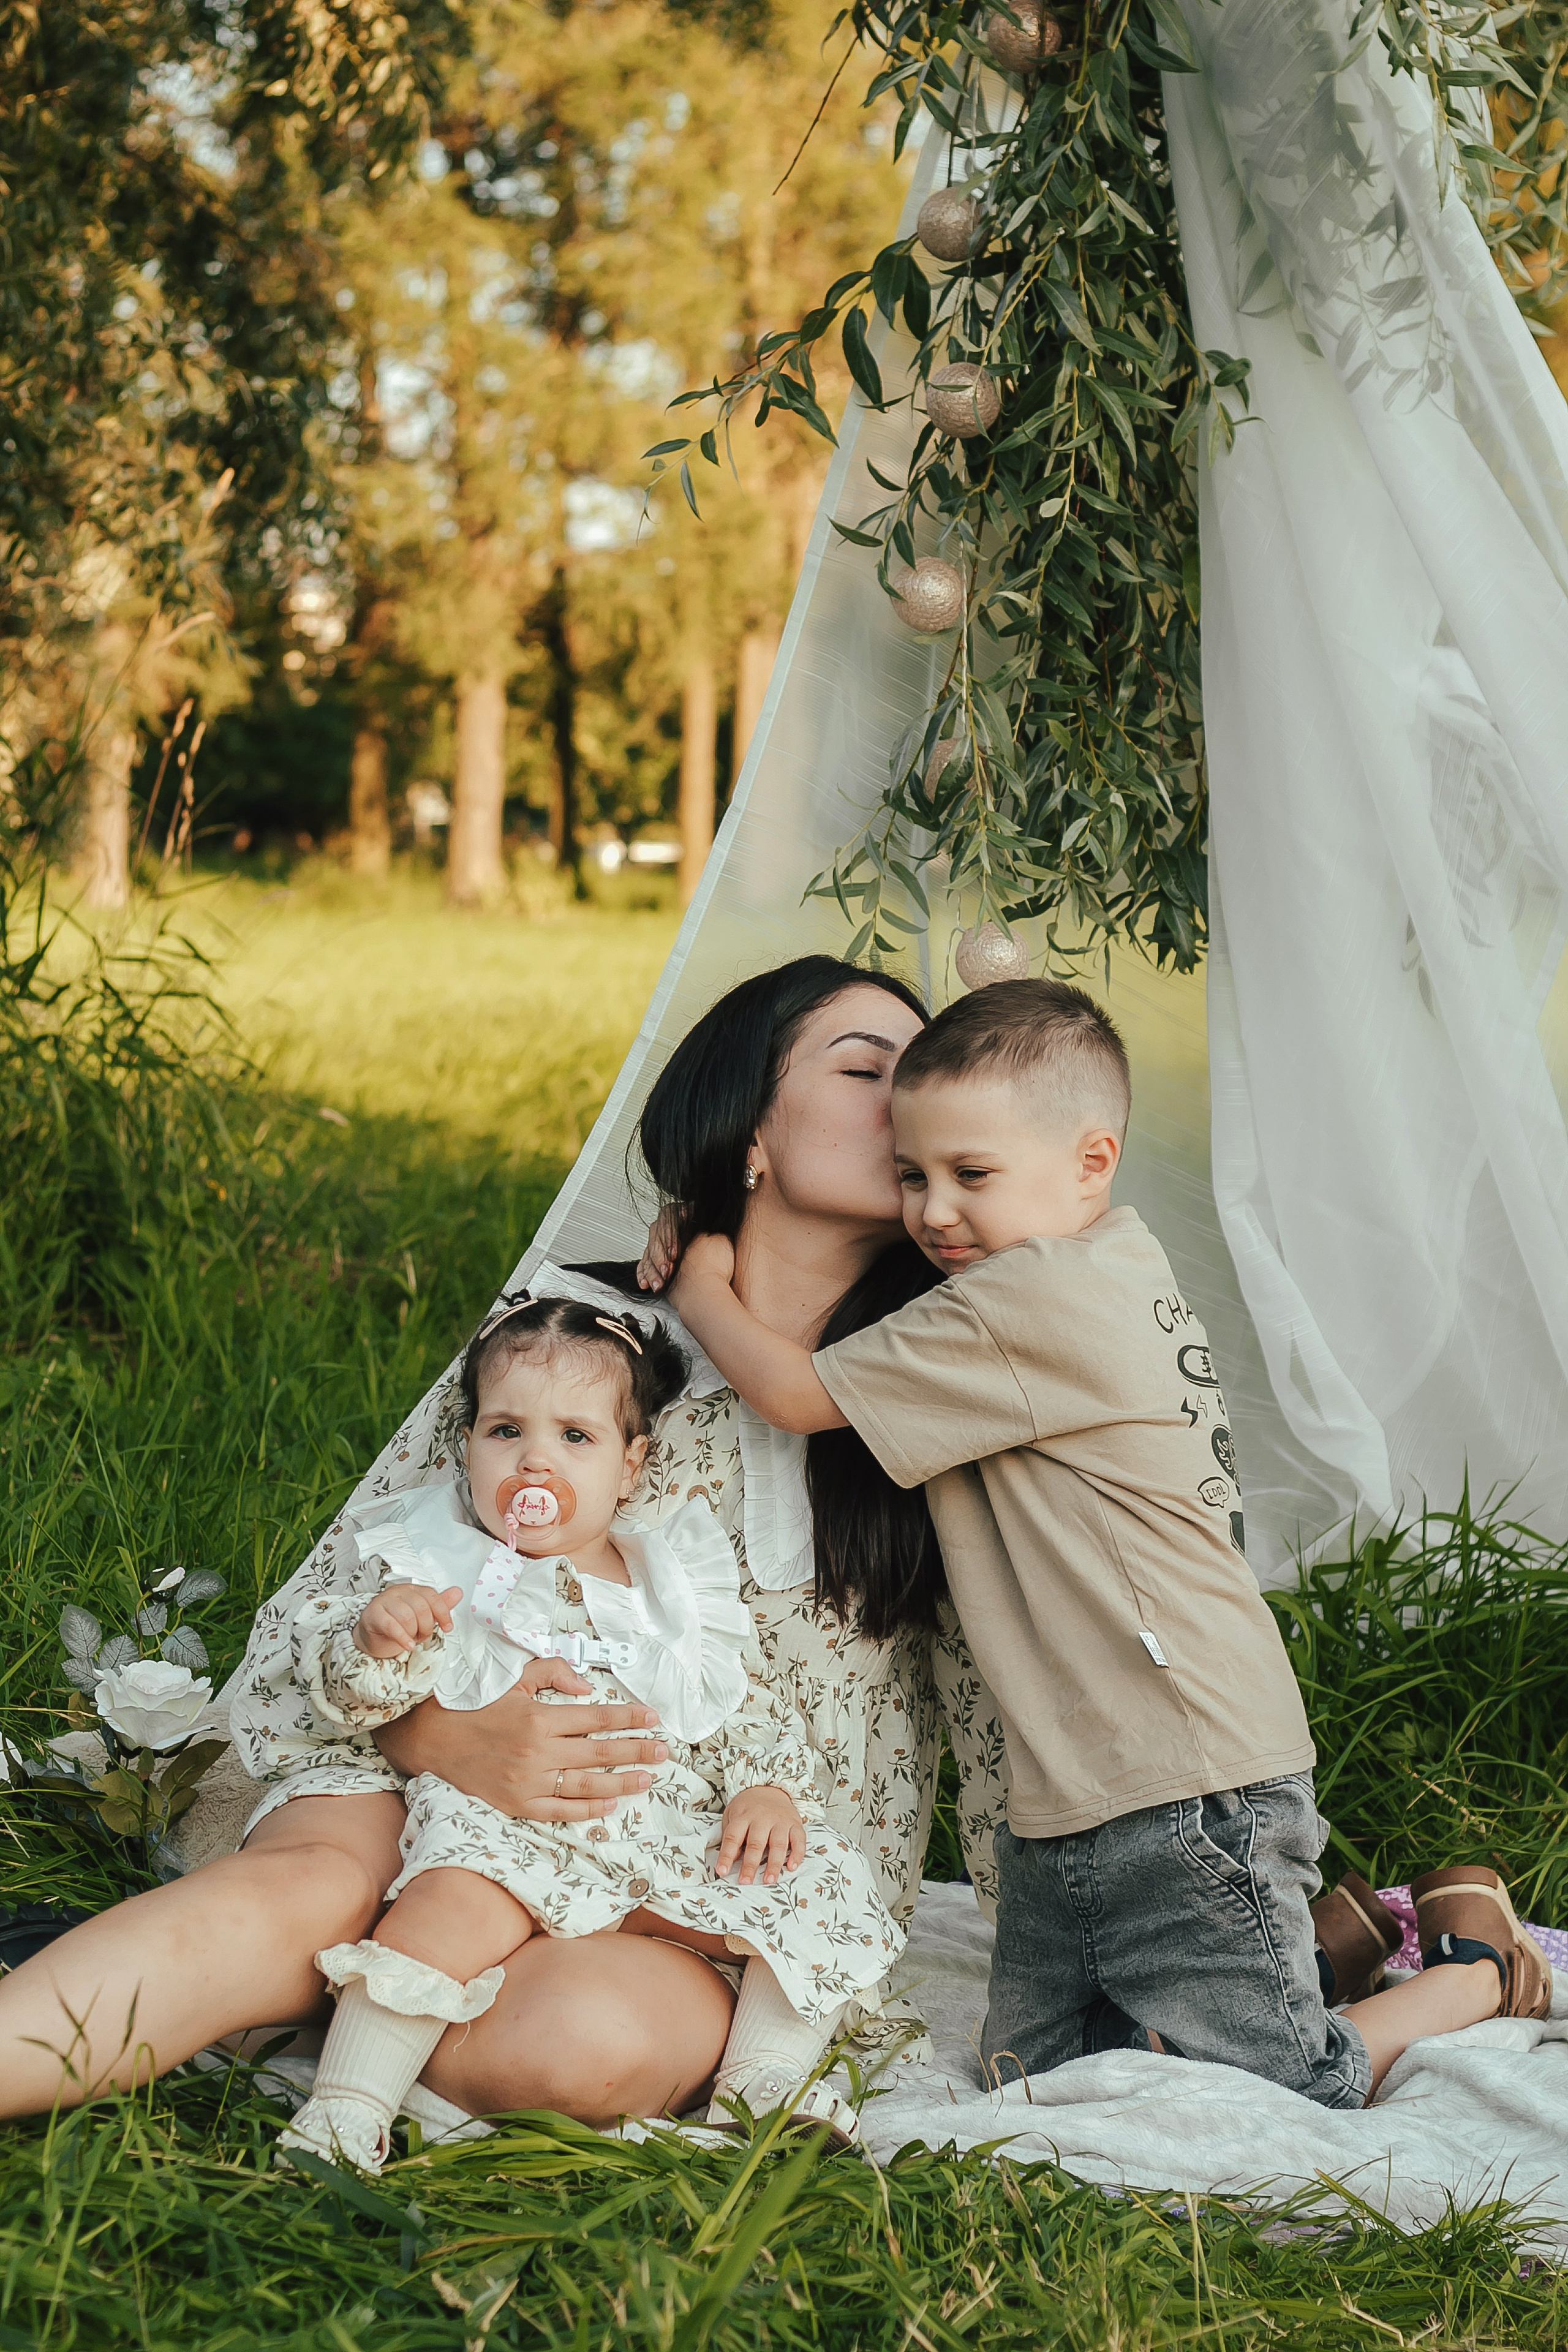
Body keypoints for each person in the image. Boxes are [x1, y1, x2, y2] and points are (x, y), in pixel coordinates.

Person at [0, 956, 1007, 2126]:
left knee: (575, 2042)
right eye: (867, 1066)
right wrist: (444, 1734)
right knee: (316, 1889)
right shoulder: (578, 1340)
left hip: (713, 1867)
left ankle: (331, 2007)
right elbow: (362, 1584)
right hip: (428, 1763)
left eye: (929, 1073)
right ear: (749, 1128)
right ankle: (250, 1976)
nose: (911, 1095)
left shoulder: (941, 1384)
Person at [668, 978, 1553, 2105]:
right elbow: (1017, 1092)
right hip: (1070, 1789)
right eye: (914, 1175)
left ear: (1093, 1163)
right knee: (1027, 2074)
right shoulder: (1068, 1265)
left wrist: (702, 1276)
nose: (934, 1211)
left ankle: (1476, 1962)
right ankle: (1333, 1941)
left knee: (1302, 2081)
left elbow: (790, 1391)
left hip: (1187, 1769)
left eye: (970, 1177)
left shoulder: (1032, 1297)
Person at [268, 1295, 897, 2171]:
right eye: (504, 1431)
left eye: (575, 1436)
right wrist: (382, 1641)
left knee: (817, 1876)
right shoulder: (442, 1566)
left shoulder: (669, 1584)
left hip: (661, 1832)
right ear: (466, 1450)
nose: (534, 1458)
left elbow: (739, 1711)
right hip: (517, 1824)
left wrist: (766, 1790)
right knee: (443, 1910)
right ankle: (348, 2108)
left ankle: (761, 2086)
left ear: (630, 1465)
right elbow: (349, 1697)